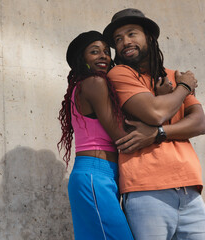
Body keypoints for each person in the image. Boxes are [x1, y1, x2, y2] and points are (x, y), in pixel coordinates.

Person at [103, 8, 205, 239]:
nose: (125, 42)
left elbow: (200, 122)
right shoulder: (120, 74)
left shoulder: (172, 75)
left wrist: (158, 133)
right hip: (146, 189)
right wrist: (184, 88)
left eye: (131, 34)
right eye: (118, 39)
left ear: (149, 37)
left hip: (189, 188)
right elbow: (154, 113)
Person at [58, 30, 168, 240]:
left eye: (106, 52)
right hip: (94, 175)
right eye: (94, 52)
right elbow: (120, 135)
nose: (103, 56)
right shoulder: (94, 83)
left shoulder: (85, 85)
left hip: (103, 175)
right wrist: (160, 103)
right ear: (82, 59)